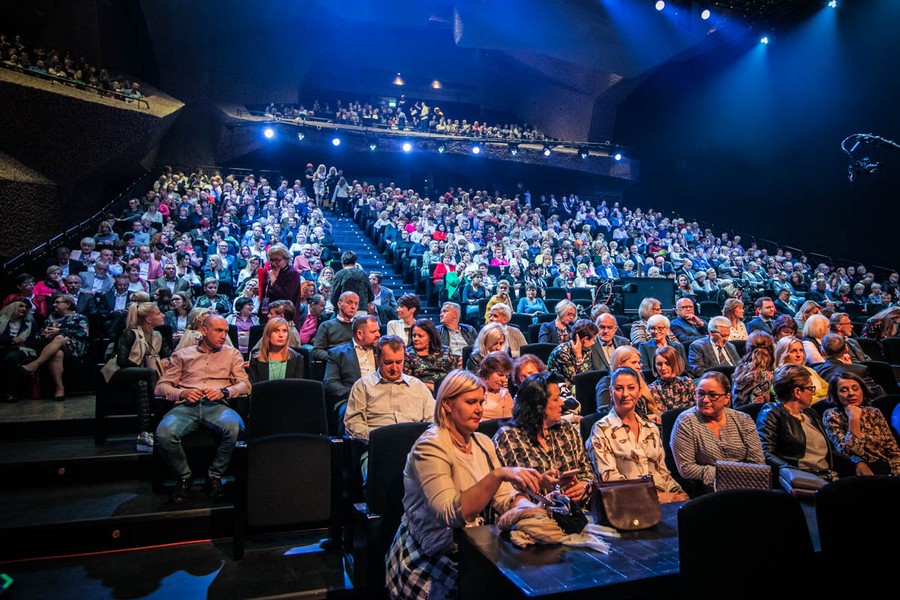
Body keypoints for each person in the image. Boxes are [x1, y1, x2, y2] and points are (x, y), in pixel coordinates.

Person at [385, 370, 541, 600]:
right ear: (447, 404)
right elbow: (450, 513)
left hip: (474, 549)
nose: (479, 409)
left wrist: (529, 510)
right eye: (471, 402)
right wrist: (497, 475)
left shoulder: (482, 442)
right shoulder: (430, 447)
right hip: (431, 558)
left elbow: (503, 495)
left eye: (481, 401)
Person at [155, 314, 250, 503]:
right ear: (204, 331)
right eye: (218, 331)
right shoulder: (183, 354)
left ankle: (215, 476)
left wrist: (225, 391)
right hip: (186, 405)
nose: (224, 335)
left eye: (225, 331)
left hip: (217, 405)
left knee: (235, 428)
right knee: (164, 433)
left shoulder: (232, 354)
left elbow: (245, 385)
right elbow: (161, 387)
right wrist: (182, 394)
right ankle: (184, 477)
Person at [587, 367, 689, 503]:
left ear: (639, 391)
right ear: (611, 392)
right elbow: (610, 480)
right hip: (630, 504)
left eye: (631, 388)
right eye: (618, 389)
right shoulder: (601, 430)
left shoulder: (651, 428)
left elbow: (663, 474)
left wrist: (680, 495)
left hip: (665, 499)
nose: (625, 394)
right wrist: (655, 497)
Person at [493, 371, 595, 505]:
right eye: (556, 399)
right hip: (535, 515)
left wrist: (583, 485)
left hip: (577, 513)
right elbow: (504, 493)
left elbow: (588, 471)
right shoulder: (508, 438)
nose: (561, 403)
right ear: (539, 404)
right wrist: (540, 483)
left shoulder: (566, 429)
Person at [344, 335, 435, 475]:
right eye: (388, 362)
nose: (394, 368)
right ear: (377, 360)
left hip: (414, 449)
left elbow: (433, 421)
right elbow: (353, 424)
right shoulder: (362, 386)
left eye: (399, 362)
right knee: (377, 475)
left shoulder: (418, 387)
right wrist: (383, 439)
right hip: (377, 449)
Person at [756, 364, 860, 483]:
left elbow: (827, 452)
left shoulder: (810, 413)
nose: (813, 393)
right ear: (797, 392)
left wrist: (856, 462)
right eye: (811, 389)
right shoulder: (772, 413)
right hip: (800, 480)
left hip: (828, 476)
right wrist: (792, 471)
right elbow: (766, 453)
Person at [670, 371, 766, 495]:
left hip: (747, 486)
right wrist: (732, 474)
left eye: (712, 395)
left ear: (726, 398)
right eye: (701, 394)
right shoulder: (686, 422)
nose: (705, 400)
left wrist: (738, 477)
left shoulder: (743, 420)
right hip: (710, 489)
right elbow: (686, 468)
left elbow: (758, 462)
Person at [104, 302, 171, 452]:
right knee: (150, 373)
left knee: (142, 383)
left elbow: (166, 353)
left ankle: (145, 433)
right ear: (148, 319)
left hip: (142, 377)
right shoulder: (130, 333)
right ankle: (159, 403)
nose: (163, 315)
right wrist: (142, 368)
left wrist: (166, 360)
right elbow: (121, 361)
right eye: (159, 313)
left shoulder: (157, 335)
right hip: (120, 372)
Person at [822, 372, 900, 476]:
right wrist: (853, 418)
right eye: (843, 390)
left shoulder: (874, 412)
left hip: (886, 468)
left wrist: (897, 473)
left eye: (855, 389)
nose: (851, 393)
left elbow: (892, 449)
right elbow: (848, 452)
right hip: (858, 471)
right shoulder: (832, 415)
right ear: (836, 394)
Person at [19, 294, 89, 401]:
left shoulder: (80, 317)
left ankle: (35, 364)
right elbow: (38, 335)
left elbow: (83, 333)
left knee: (60, 338)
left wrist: (60, 331)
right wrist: (46, 333)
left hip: (76, 346)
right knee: (57, 353)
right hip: (53, 346)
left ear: (68, 304)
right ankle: (59, 388)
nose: (54, 304)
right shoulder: (52, 317)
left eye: (57, 302)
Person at [323, 315, 382, 428]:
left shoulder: (382, 351)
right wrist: (357, 394)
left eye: (378, 330)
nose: (378, 334)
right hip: (351, 400)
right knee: (346, 412)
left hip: (381, 397)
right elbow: (330, 383)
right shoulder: (337, 354)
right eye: (373, 331)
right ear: (359, 334)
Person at [595, 346, 660, 421]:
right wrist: (646, 418)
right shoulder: (606, 382)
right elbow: (603, 413)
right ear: (620, 364)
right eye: (634, 362)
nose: (638, 366)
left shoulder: (639, 378)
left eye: (638, 362)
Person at [813, 334, 885, 399]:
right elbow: (877, 395)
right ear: (846, 350)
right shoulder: (859, 370)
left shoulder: (815, 370)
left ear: (822, 352)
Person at [404, 319, 459, 394]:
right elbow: (407, 380)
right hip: (419, 391)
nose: (415, 339)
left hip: (445, 390)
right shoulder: (407, 353)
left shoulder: (445, 351)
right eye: (414, 335)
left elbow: (453, 375)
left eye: (420, 336)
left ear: (430, 337)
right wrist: (430, 386)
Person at [247, 317, 305, 383]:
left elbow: (298, 387)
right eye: (276, 331)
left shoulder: (297, 358)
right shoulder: (256, 358)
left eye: (284, 331)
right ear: (268, 334)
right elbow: (254, 387)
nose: (281, 335)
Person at [546, 318, 599, 389]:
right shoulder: (562, 352)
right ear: (585, 339)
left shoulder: (587, 349)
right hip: (561, 387)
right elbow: (576, 380)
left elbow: (589, 373)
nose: (593, 343)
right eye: (593, 340)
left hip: (583, 386)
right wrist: (579, 357)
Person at [0, 301, 37, 402]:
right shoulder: (1, 320)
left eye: (25, 307)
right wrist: (11, 339)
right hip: (3, 346)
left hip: (22, 349)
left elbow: (33, 342)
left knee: (11, 358)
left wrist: (22, 342)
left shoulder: (30, 323)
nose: (24, 309)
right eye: (20, 306)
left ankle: (10, 392)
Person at [259, 243, 302, 324]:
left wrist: (274, 280)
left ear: (286, 259)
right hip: (267, 312)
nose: (273, 263)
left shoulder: (291, 273)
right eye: (271, 260)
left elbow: (285, 296)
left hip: (284, 316)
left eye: (277, 260)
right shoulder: (273, 271)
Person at [731, 331, 776, 407]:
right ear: (771, 350)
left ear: (747, 349)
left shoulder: (739, 369)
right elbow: (755, 407)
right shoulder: (766, 375)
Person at [638, 314, 688, 378]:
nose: (656, 331)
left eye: (660, 328)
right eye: (652, 328)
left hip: (677, 380)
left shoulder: (678, 346)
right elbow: (645, 371)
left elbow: (686, 370)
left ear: (667, 329)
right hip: (655, 382)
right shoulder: (644, 347)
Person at [312, 291, 358, 361]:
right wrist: (334, 359)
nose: (353, 307)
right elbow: (317, 351)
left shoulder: (360, 325)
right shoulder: (326, 326)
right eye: (349, 302)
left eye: (356, 304)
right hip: (335, 364)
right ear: (339, 304)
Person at [648, 345, 695, 411]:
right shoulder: (652, 389)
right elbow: (664, 416)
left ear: (675, 363)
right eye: (659, 364)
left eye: (668, 363)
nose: (663, 368)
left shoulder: (687, 382)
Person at [330, 251, 374, 315]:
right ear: (355, 262)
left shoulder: (339, 275)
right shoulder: (363, 274)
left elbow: (334, 296)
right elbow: (371, 295)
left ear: (342, 262)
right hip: (361, 310)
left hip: (344, 310)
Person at [476, 351, 515, 420]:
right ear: (488, 370)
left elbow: (508, 422)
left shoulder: (504, 394)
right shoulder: (472, 389)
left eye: (506, 376)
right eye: (500, 375)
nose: (504, 379)